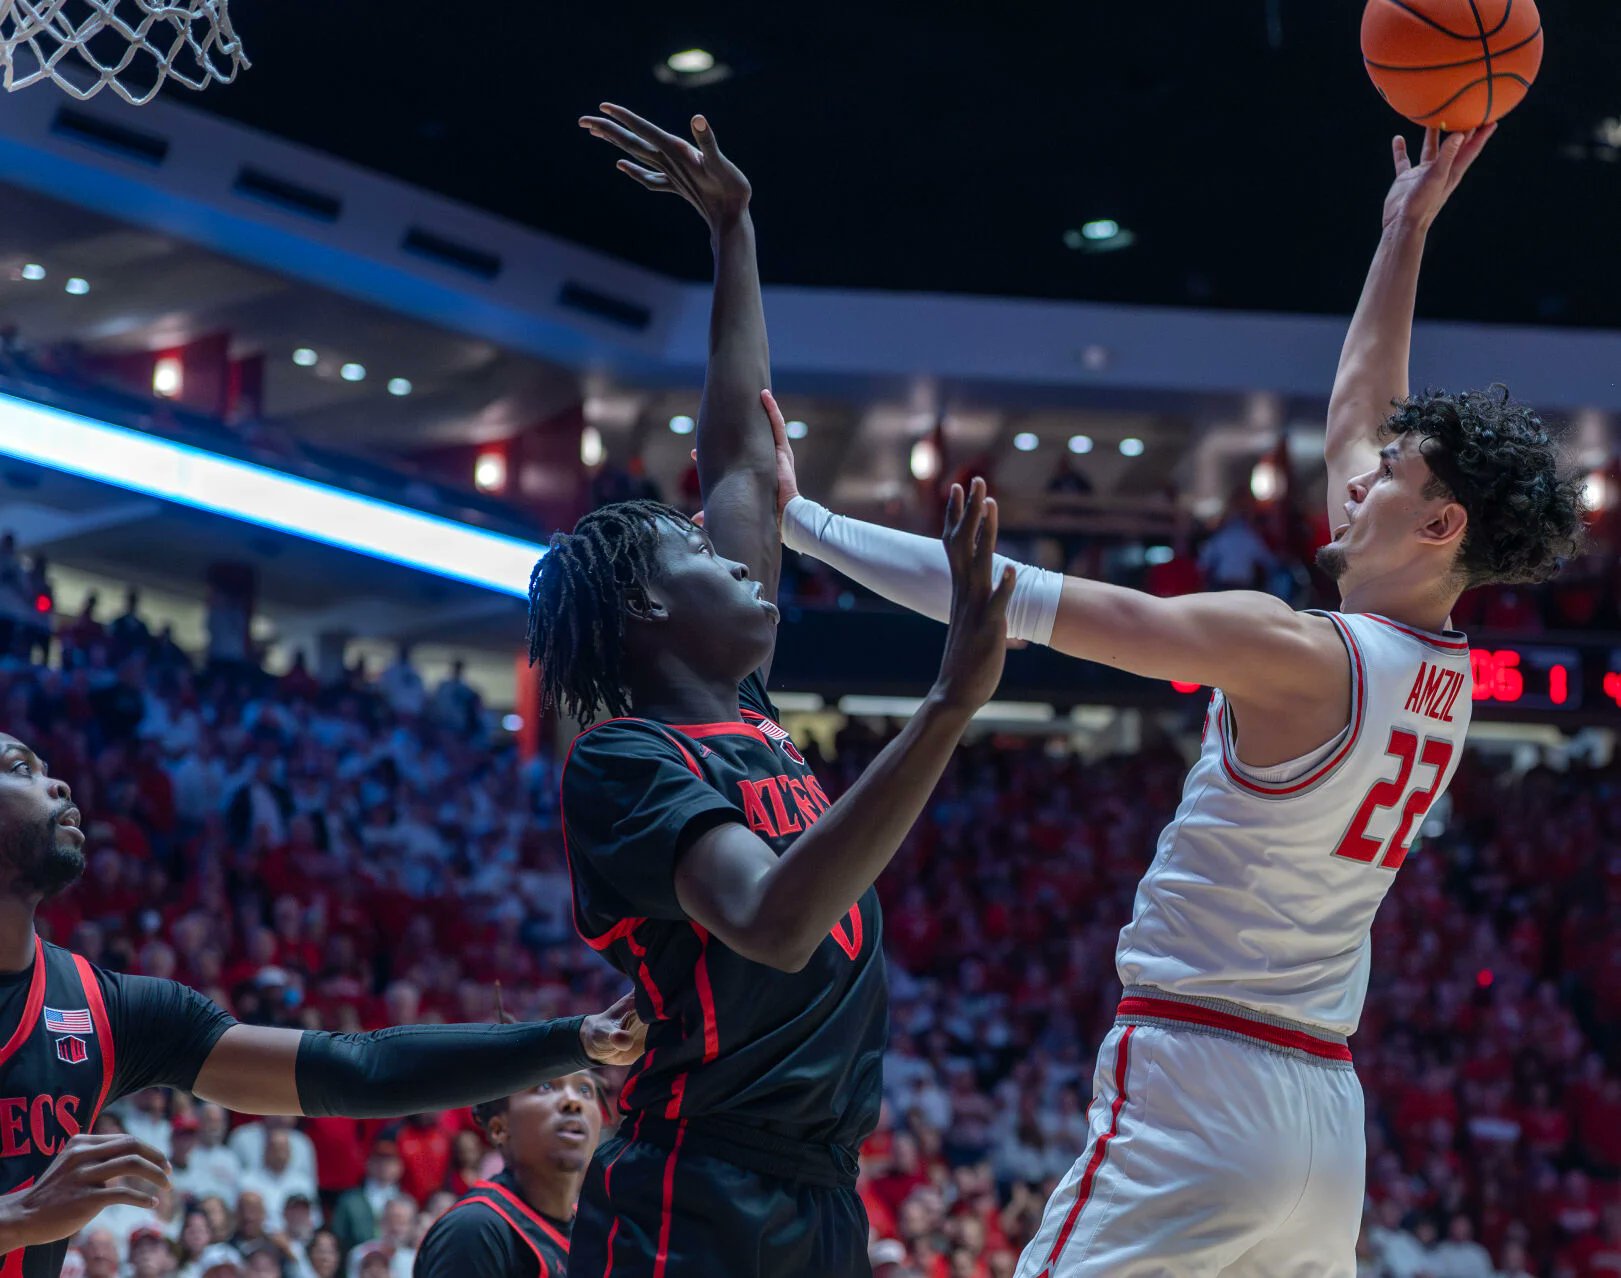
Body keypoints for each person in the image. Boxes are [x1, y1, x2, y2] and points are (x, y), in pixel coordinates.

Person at [771, 125, 1587, 1276]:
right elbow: (1363, 408)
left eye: (1389, 482)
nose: (1352, 480)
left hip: (1200, 1086)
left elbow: (1010, 597)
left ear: (1440, 524)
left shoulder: (1293, 650)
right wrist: (1402, 233)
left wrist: (801, 523)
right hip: (1321, 1120)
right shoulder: (1444, 673)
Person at [533, 104, 1012, 1278]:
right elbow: (779, 921)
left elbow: (746, 457)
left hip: (817, 1191)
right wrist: (945, 705)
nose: (738, 558)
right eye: (701, 554)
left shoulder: (745, 706)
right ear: (649, 612)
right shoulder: (626, 762)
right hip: (700, 1185)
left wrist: (734, 233)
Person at [0, 734, 645, 1278]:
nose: (57, 785)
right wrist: (20, 1216)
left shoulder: (103, 1007)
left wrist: (577, 1039)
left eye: (51, 770)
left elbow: (356, 1070)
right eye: (21, 769)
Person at [413, 1070, 605, 1278]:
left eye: (585, 1090)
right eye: (546, 1087)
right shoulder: (473, 1230)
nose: (573, 1102)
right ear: (499, 1129)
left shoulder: (594, 1230)